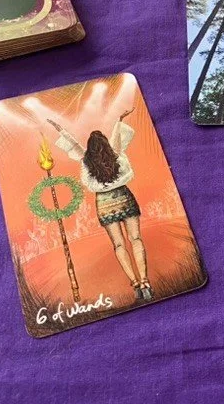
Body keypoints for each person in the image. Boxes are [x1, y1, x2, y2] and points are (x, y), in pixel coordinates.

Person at [48, 108, 152, 301]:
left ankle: (135, 284)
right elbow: (117, 139)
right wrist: (119, 119)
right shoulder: (116, 154)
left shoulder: (86, 160)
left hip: (104, 204)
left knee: (119, 244)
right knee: (136, 239)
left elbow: (73, 145)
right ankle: (145, 281)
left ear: (90, 147)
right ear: (105, 143)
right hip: (125, 197)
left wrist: (59, 129)